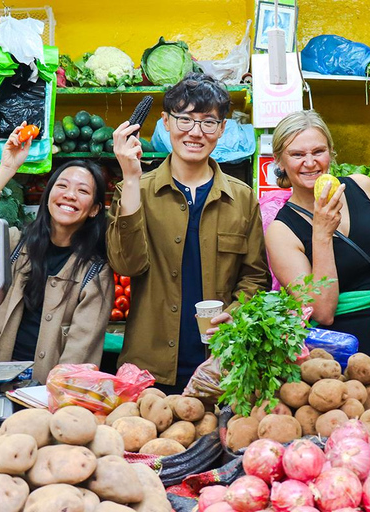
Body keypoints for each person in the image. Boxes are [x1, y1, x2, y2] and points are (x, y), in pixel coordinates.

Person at [108, 73, 270, 393]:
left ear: (222, 129)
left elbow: (255, 278)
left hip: (222, 365)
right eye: (184, 119)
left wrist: (235, 314)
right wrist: (130, 178)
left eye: (208, 122)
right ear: (166, 122)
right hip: (148, 370)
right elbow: (126, 265)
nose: (195, 132)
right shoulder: (134, 190)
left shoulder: (242, 198)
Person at [0, 124, 114, 384]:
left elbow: (79, 353)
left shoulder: (95, 272)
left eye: (83, 191)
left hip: (45, 394)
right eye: (62, 186)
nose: (70, 195)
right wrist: (7, 169)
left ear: (95, 209)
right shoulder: (13, 244)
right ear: (48, 195)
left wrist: (51, 398)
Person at [266, 110, 370, 365]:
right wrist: (322, 234)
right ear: (280, 161)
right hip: (341, 355)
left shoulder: (364, 187)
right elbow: (322, 312)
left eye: (318, 151)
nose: (310, 162)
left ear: (331, 152)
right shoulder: (281, 232)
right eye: (297, 155)